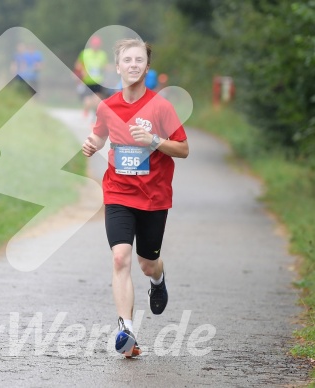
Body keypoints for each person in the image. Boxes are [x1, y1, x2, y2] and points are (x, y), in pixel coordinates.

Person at [81, 38, 188, 357]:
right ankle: (126, 329)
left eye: (139, 60)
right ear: (117, 67)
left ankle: (158, 279)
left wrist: (155, 140)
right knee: (119, 258)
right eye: (127, 60)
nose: (133, 64)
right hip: (118, 193)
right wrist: (91, 144)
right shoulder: (107, 106)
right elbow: (98, 136)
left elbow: (183, 149)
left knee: (146, 262)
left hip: (154, 197)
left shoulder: (161, 106)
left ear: (147, 67)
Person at [74, 35, 109, 119]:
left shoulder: (102, 54)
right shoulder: (84, 53)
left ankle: (95, 115)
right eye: (94, 44)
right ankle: (86, 110)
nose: (96, 46)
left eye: (97, 45)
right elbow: (78, 65)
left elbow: (105, 67)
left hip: (98, 81)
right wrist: (81, 71)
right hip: (87, 81)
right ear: (91, 44)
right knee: (88, 101)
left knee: (97, 100)